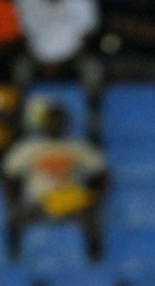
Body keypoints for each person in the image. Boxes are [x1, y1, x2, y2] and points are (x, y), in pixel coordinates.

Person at [2, 97, 107, 259]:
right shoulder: (28, 147)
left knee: (92, 221)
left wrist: (93, 199)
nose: (56, 125)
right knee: (15, 218)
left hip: (70, 204)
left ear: (67, 124)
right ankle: (15, 259)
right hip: (38, 203)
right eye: (52, 121)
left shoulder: (78, 147)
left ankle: (95, 263)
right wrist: (14, 201)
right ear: (44, 124)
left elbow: (101, 174)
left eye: (60, 121)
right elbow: (9, 174)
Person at [13, 0, 102, 94]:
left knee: (93, 70)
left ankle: (93, 109)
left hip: (73, 58)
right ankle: (18, 109)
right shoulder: (27, 0)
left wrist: (66, 61)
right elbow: (23, 36)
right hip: (36, 58)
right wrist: (41, 60)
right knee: (21, 70)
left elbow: (89, 36)